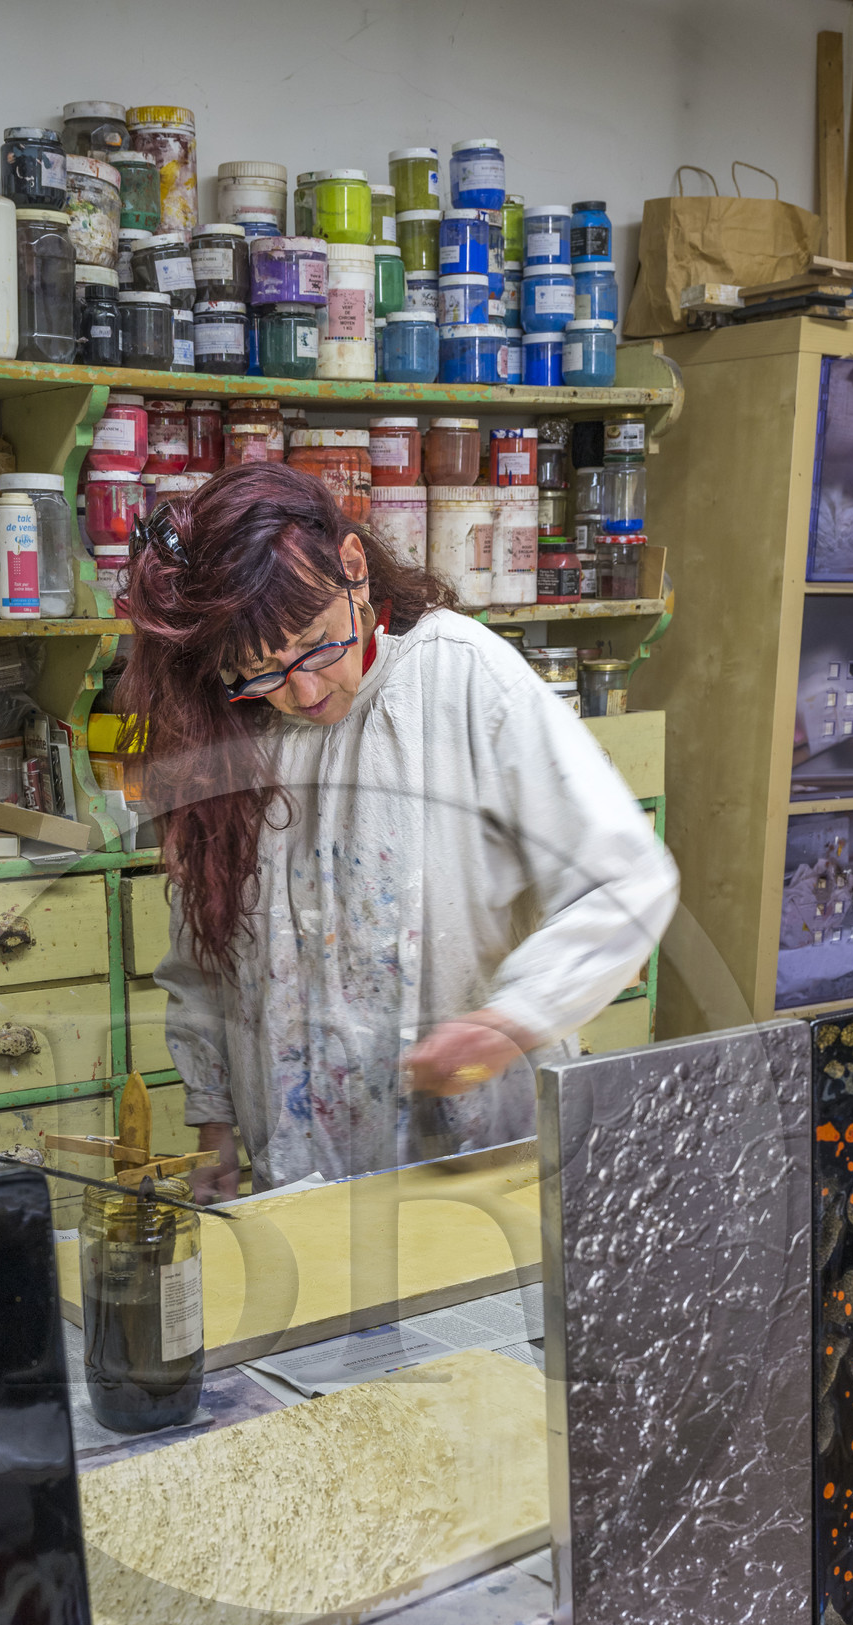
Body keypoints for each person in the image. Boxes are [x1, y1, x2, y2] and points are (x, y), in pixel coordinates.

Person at [118, 462, 678, 1199]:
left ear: (353, 567)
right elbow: (205, 955)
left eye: (317, 644)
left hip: (470, 1168)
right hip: (296, 1173)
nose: (306, 690)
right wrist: (214, 1128)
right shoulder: (233, 723)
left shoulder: (460, 677)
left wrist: (514, 1017)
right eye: (260, 669)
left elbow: (628, 879)